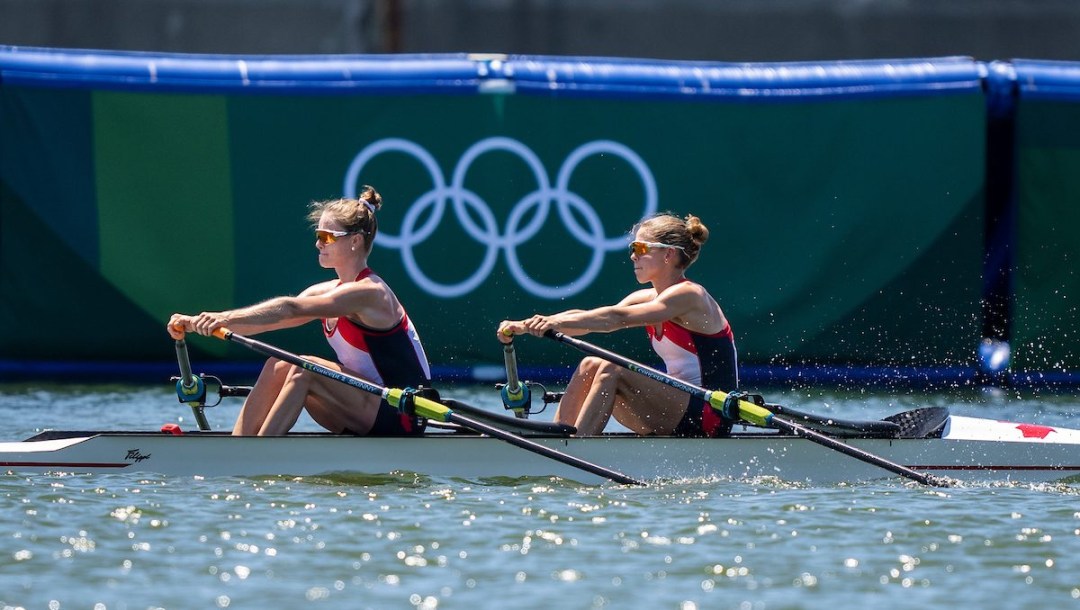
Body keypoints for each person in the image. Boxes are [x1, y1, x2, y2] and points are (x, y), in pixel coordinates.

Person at [167, 185, 431, 437]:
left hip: (403, 415)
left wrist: (223, 318)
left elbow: (290, 309)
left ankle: (254, 456)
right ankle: (239, 446)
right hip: (368, 406)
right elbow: (266, 322)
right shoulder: (327, 291)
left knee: (305, 369)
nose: (318, 244)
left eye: (326, 237)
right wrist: (198, 323)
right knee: (278, 365)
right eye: (318, 235)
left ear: (355, 241)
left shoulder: (370, 292)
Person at [497, 212, 737, 437]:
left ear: (668, 254)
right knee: (591, 363)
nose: (633, 255)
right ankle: (557, 437)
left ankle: (577, 449)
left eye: (640, 248)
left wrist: (552, 321)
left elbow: (615, 319)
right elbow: (590, 320)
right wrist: (528, 325)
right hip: (679, 407)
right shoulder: (646, 298)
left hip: (710, 414)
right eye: (633, 248)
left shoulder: (690, 295)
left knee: (611, 369)